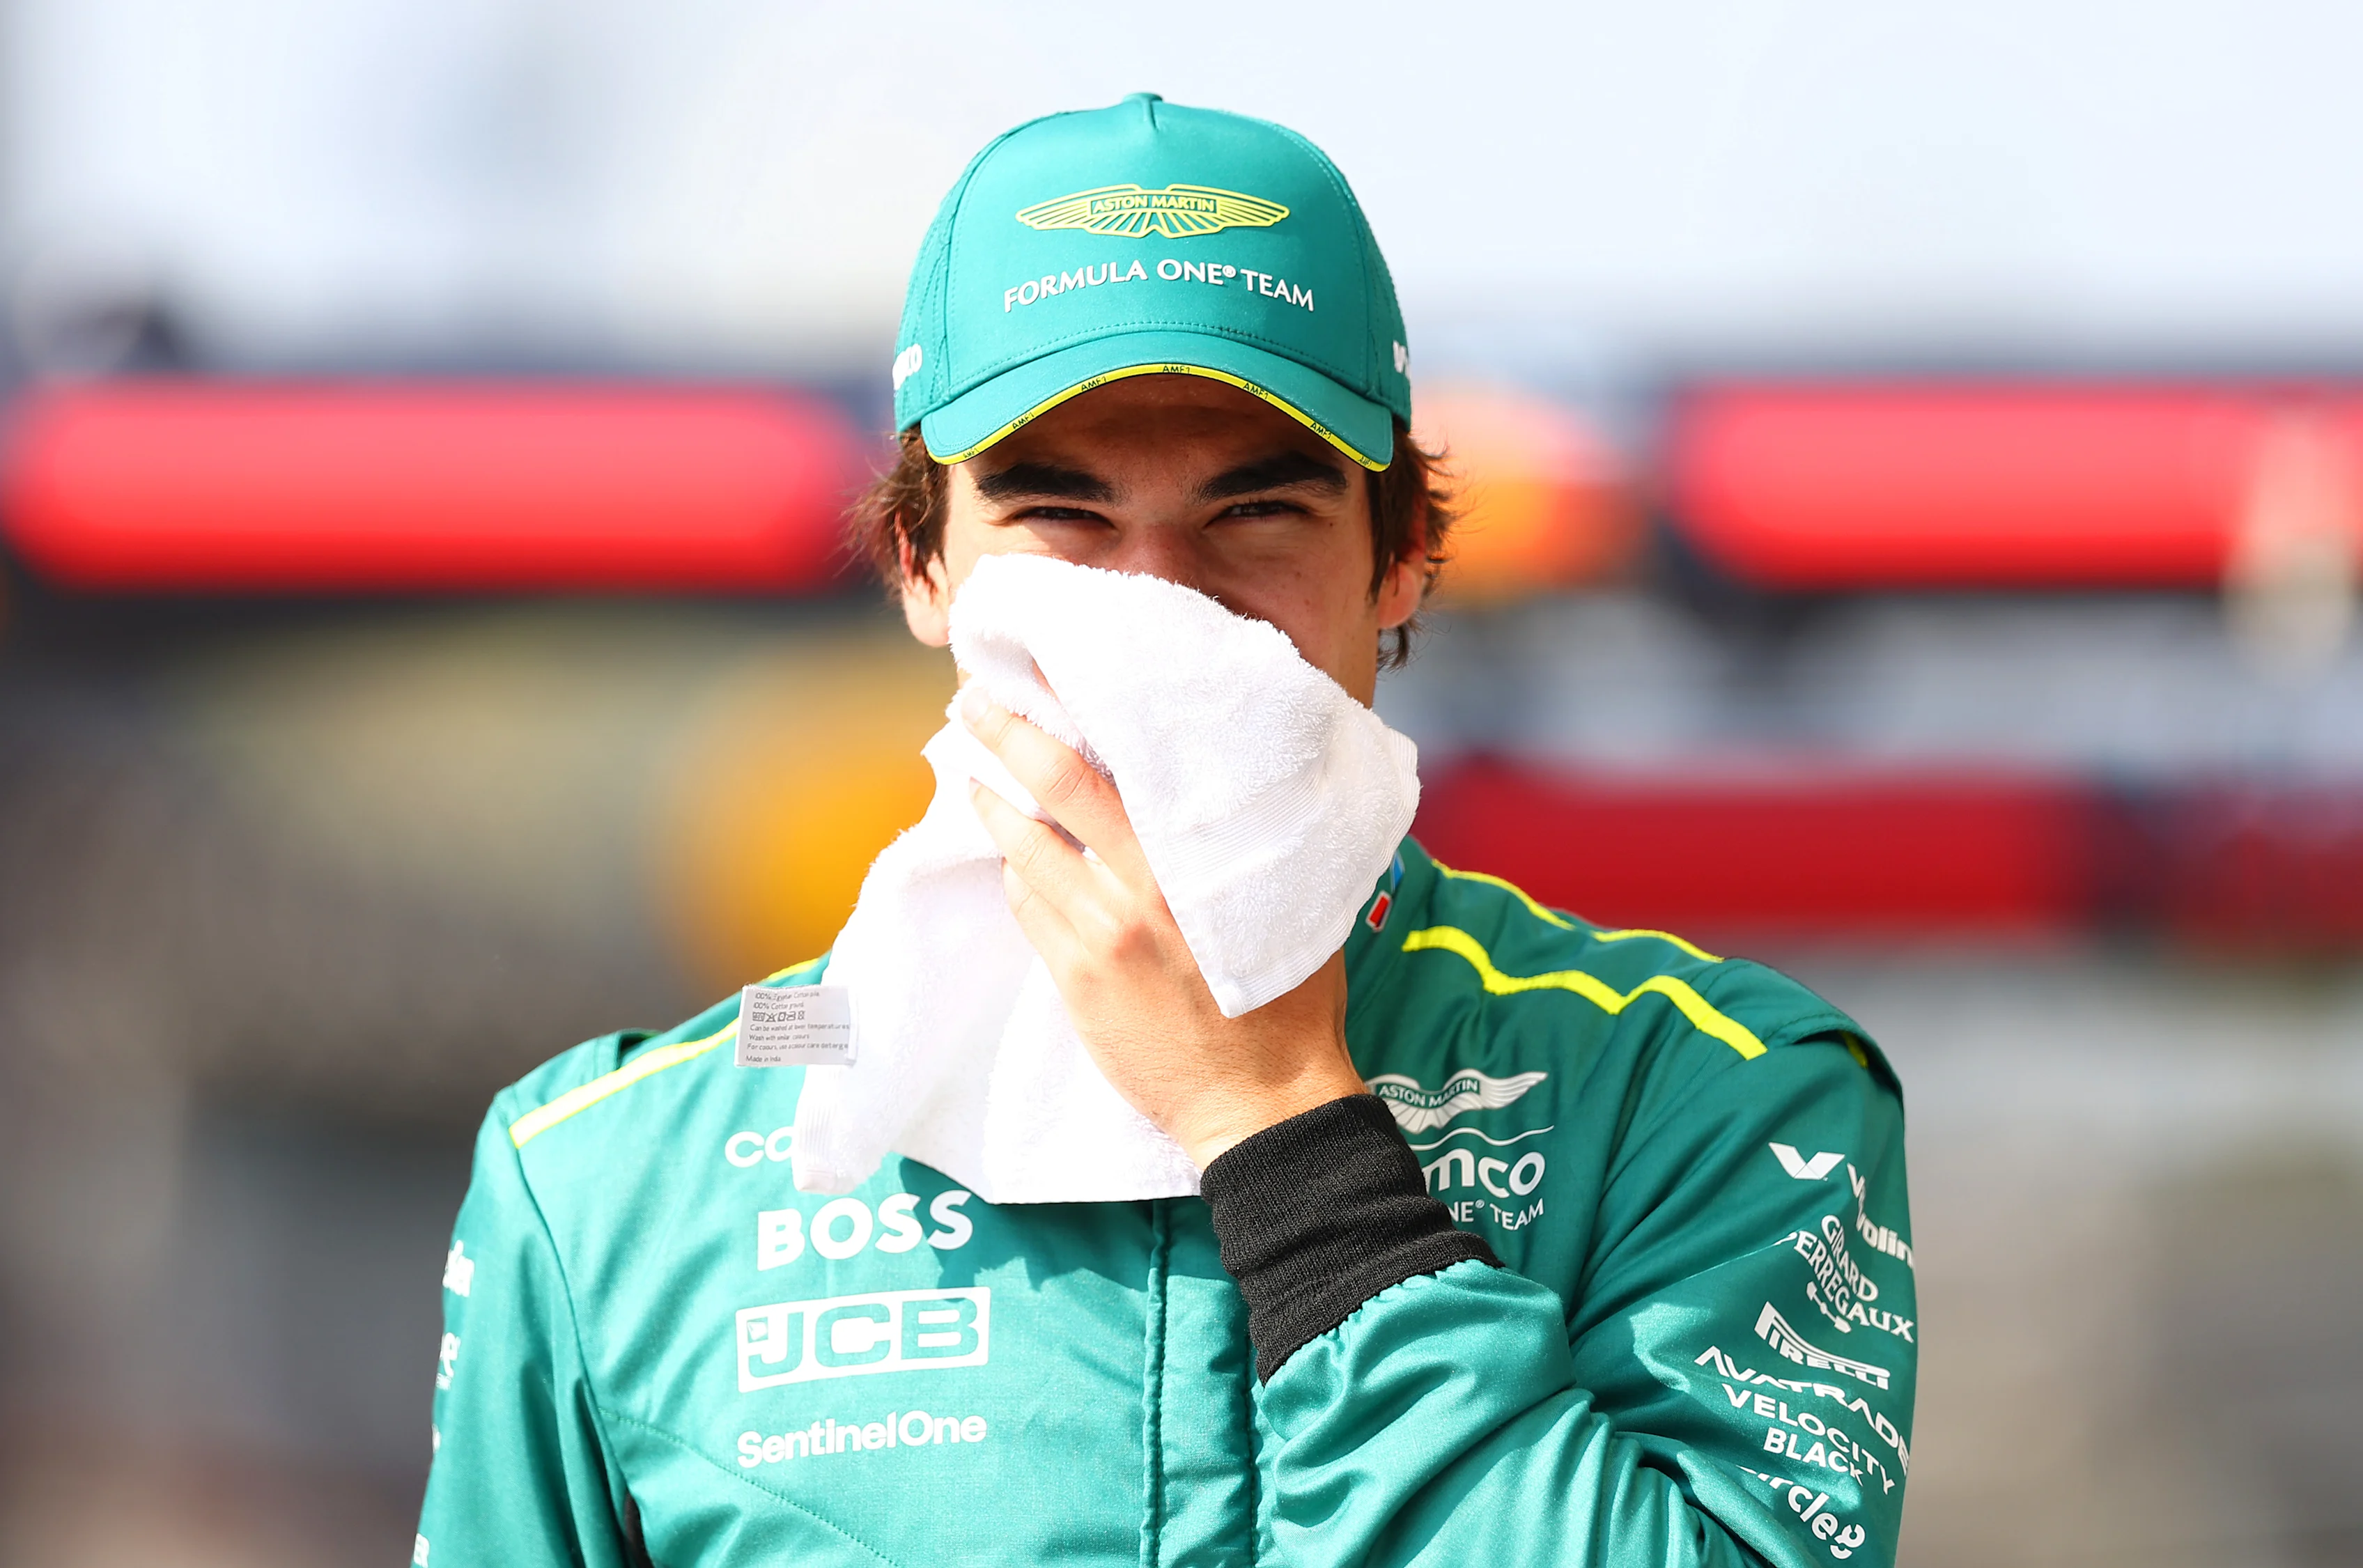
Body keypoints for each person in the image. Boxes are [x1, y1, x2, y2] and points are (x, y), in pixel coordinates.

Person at [415, 93, 1916, 1568]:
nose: (1150, 606)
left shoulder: (1706, 1099)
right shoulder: (606, 1173)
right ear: (918, 567)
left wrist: (1283, 1134)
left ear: (1399, 561)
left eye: (1252, 515)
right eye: (1059, 516)